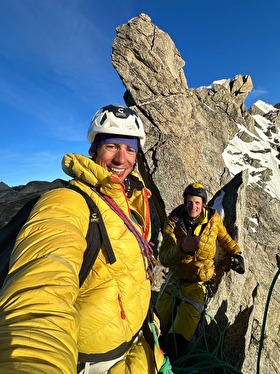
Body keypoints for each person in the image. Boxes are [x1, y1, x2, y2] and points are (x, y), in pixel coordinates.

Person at [0, 104, 165, 374]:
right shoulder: (66, 202)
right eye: (112, 146)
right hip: (95, 363)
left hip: (137, 346)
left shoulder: (131, 201)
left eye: (130, 149)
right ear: (94, 150)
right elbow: (40, 296)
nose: (121, 159)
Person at [155, 182, 245, 363]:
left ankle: (167, 365)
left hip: (198, 285)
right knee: (155, 328)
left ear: (203, 203)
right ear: (184, 201)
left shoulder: (213, 219)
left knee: (176, 342)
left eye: (197, 202)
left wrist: (236, 253)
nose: (193, 207)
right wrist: (182, 248)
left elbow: (224, 238)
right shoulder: (173, 222)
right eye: (189, 202)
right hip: (175, 280)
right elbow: (164, 257)